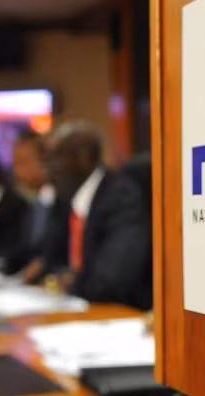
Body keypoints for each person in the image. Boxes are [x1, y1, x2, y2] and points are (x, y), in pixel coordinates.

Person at [40, 121, 152, 310]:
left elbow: (109, 280)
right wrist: (58, 279)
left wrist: (68, 282)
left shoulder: (121, 196)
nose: (48, 169)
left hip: (120, 313)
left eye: (56, 157)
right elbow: (51, 262)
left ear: (83, 158)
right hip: (74, 307)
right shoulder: (66, 199)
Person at [11, 129, 55, 279]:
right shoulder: (35, 205)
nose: (16, 171)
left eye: (22, 163)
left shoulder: (64, 203)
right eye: (15, 163)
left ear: (46, 162)